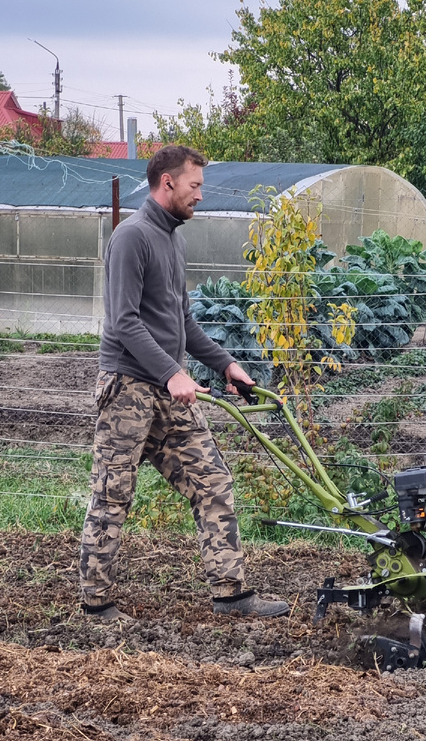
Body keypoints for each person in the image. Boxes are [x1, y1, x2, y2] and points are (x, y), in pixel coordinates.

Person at [78, 144, 289, 622]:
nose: (200, 195)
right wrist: (172, 373)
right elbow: (124, 323)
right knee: (112, 494)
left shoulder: (174, 239)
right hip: (128, 390)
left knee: (213, 481)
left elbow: (184, 321)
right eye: (195, 186)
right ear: (167, 182)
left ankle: (231, 594)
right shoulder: (132, 237)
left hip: (169, 391)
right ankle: (95, 604)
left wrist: (227, 365)